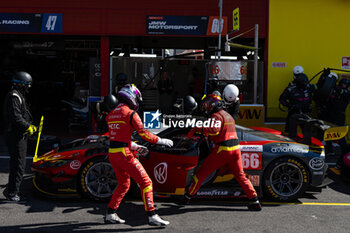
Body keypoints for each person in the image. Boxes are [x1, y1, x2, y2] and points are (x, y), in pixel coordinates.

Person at [105, 84, 173, 226]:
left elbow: (117, 138)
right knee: (146, 183)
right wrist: (161, 140)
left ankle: (110, 213)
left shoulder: (111, 115)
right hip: (124, 154)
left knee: (124, 184)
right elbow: (144, 134)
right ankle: (152, 215)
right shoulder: (131, 114)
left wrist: (134, 146)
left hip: (113, 153)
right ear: (132, 97)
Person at [183, 94, 262, 211]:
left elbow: (214, 131)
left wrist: (197, 128)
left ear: (213, 105)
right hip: (235, 150)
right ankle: (254, 201)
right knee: (241, 176)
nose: (207, 107)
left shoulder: (216, 116)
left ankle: (187, 197)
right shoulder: (228, 115)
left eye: (207, 105)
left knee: (201, 173)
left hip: (223, 150)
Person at [3, 71, 37, 202]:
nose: (28, 88)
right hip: (15, 136)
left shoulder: (18, 95)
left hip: (19, 135)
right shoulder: (13, 97)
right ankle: (12, 194)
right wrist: (28, 127)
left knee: (20, 164)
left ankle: (15, 190)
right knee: (17, 165)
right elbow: (16, 117)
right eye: (27, 85)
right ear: (21, 84)